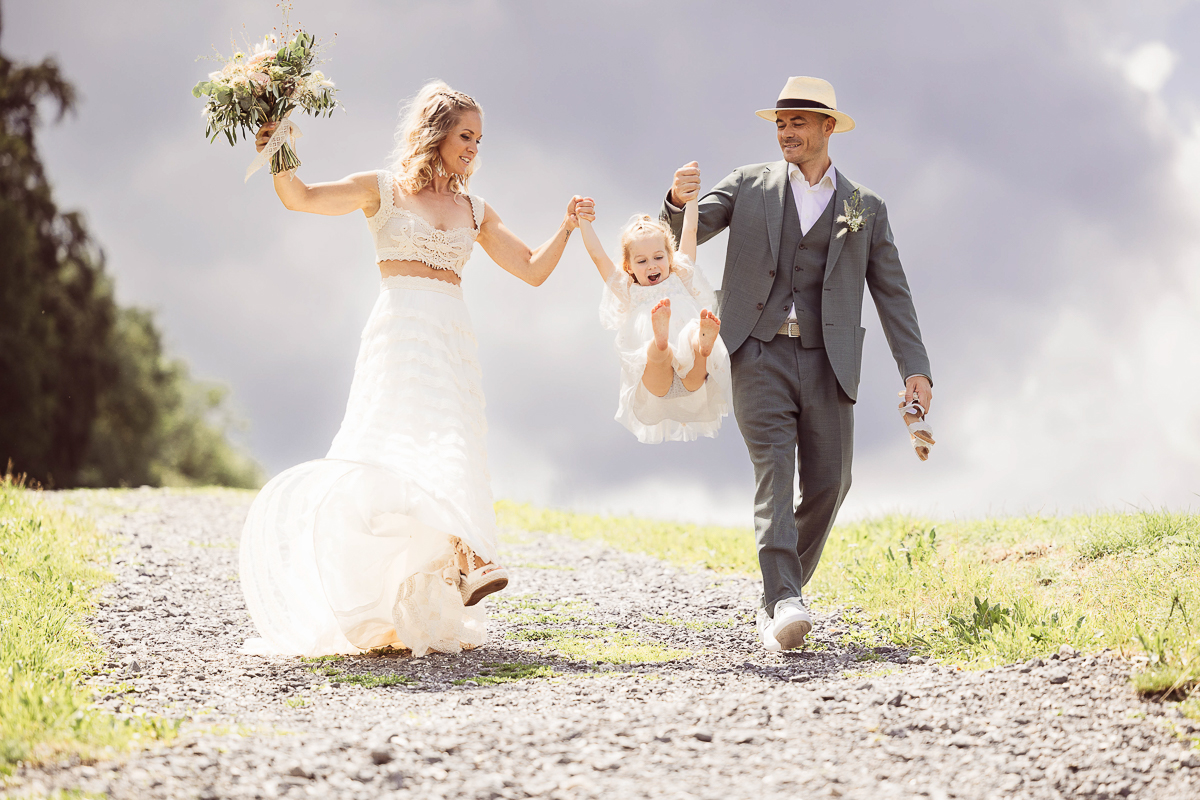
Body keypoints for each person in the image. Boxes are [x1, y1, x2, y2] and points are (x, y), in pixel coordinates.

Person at [239, 81, 587, 657]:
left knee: (453, 447)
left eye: (479, 138)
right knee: (385, 460)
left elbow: (530, 269)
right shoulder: (381, 190)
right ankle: (408, 578)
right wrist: (277, 146)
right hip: (399, 335)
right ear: (436, 134)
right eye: (464, 135)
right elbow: (299, 197)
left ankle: (460, 561)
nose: (474, 147)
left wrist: (568, 229)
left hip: (451, 342)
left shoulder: (475, 209)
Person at [660, 77, 933, 651]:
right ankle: (783, 597)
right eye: (780, 123)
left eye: (798, 122)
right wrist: (677, 202)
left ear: (828, 128)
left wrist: (916, 370)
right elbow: (685, 233)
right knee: (776, 474)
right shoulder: (747, 185)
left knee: (833, 482)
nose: (786, 132)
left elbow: (893, 294)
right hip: (756, 350)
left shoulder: (865, 208)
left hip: (830, 360)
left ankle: (778, 591)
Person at [577, 198, 731, 443]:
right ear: (628, 267)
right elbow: (598, 256)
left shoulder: (681, 275)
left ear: (670, 257)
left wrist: (692, 198)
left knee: (693, 336)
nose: (652, 266)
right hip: (657, 385)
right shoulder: (628, 290)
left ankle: (702, 345)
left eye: (658, 257)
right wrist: (583, 222)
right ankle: (660, 340)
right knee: (657, 354)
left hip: (691, 378)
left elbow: (690, 229)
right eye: (641, 261)